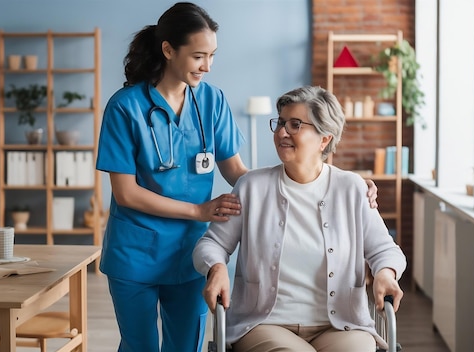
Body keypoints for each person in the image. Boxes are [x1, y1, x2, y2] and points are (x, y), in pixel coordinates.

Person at [96, 2, 379, 351]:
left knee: (186, 346)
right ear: (168, 50)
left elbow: (238, 175)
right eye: (199, 55)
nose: (208, 66)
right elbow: (125, 193)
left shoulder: (211, 101)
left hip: (189, 253)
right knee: (139, 346)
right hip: (136, 252)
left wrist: (332, 184)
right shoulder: (125, 107)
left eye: (212, 55)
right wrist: (199, 212)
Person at [193, 86, 406, 352]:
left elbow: (385, 249)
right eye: (281, 122)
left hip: (342, 325)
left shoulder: (352, 188)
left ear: (324, 139)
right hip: (266, 324)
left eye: (295, 125)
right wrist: (217, 268)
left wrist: (386, 273)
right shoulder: (252, 187)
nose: (282, 132)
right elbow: (211, 244)